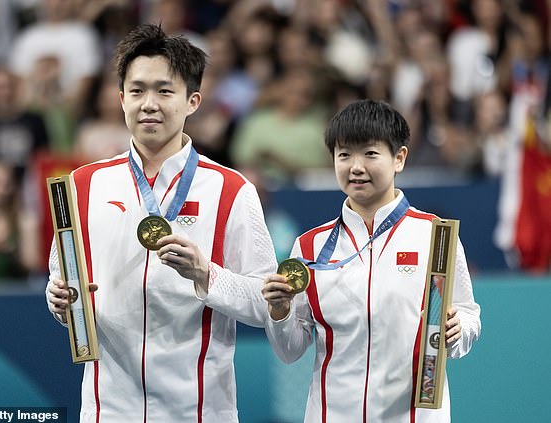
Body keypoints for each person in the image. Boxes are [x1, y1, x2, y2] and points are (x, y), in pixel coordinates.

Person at [45, 24, 277, 422]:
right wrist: (58, 299)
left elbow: (266, 304)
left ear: (193, 101)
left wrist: (206, 274)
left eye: (164, 91)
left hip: (201, 410)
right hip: (108, 410)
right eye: (136, 91)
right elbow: (61, 275)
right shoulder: (81, 186)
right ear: (120, 99)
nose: (148, 103)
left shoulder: (231, 190)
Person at [262, 99, 481, 422]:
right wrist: (279, 312)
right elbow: (289, 350)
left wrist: (458, 328)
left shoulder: (436, 235)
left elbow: (468, 315)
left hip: (413, 415)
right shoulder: (310, 245)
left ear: (399, 158)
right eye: (344, 154)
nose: (356, 167)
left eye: (370, 153)